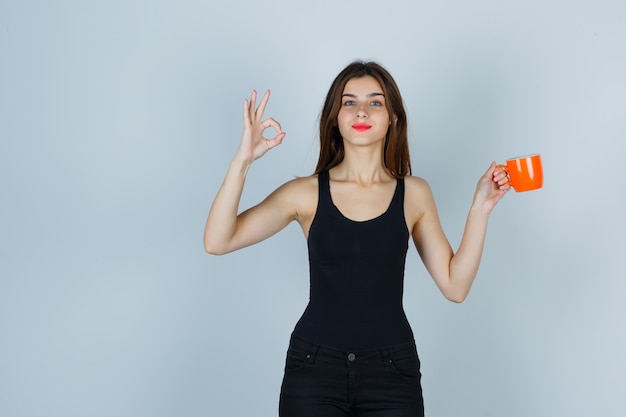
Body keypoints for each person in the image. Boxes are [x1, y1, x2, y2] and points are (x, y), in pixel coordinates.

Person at [204, 61, 510, 417]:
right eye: (349, 102)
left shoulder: (414, 193)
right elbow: (218, 241)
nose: (361, 110)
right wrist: (242, 161)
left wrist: (480, 208)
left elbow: (455, 287)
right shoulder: (305, 193)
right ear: (335, 116)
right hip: (314, 371)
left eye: (375, 102)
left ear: (393, 117)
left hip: (392, 373)